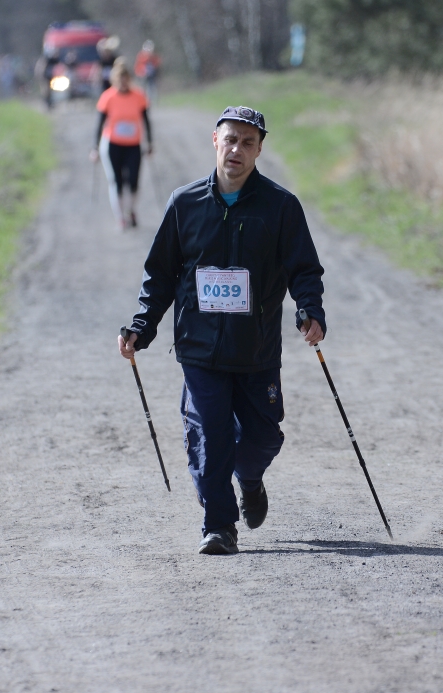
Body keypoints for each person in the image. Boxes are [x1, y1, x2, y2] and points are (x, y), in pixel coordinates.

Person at [118, 105, 326, 555]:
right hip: (200, 348)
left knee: (263, 437)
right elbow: (160, 274)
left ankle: (249, 479)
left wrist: (310, 309)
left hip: (256, 349)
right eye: (230, 139)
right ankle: (219, 526)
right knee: (209, 436)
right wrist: (141, 326)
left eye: (248, 142)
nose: (237, 150)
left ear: (259, 149)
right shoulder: (185, 204)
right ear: (216, 140)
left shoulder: (280, 207)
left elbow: (304, 269)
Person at [90, 59, 153, 229]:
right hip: (114, 144)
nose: (123, 83)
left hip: (133, 145)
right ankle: (120, 217)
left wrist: (149, 143)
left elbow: (146, 121)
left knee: (133, 181)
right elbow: (99, 124)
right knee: (116, 181)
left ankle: (131, 210)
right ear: (114, 80)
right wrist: (95, 148)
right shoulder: (107, 97)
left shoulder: (139, 96)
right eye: (120, 79)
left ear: (129, 79)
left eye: (125, 79)